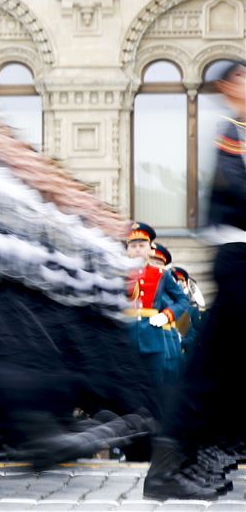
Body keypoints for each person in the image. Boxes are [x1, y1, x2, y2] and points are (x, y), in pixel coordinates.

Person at [144, 59, 246, 500]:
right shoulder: (230, 131)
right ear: (227, 87)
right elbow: (234, 189)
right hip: (238, 257)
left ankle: (207, 453)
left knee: (225, 369)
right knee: (209, 368)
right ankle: (168, 468)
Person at [124, 225, 190, 389]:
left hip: (153, 339)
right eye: (133, 246)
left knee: (154, 389)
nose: (137, 250)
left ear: (150, 249)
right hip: (125, 337)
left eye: (142, 245)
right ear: (127, 250)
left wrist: (167, 315)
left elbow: (182, 299)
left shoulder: (160, 274)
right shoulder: (119, 273)